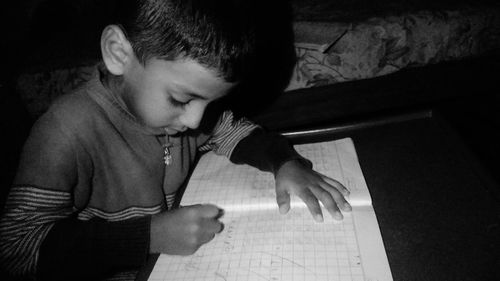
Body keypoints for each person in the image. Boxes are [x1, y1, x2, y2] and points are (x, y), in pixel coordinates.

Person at [0, 0, 351, 280]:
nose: (197, 121)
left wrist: (284, 162)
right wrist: (147, 236)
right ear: (119, 53)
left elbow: (234, 132)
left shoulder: (185, 118)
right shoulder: (64, 131)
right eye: (182, 100)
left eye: (209, 103)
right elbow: (17, 249)